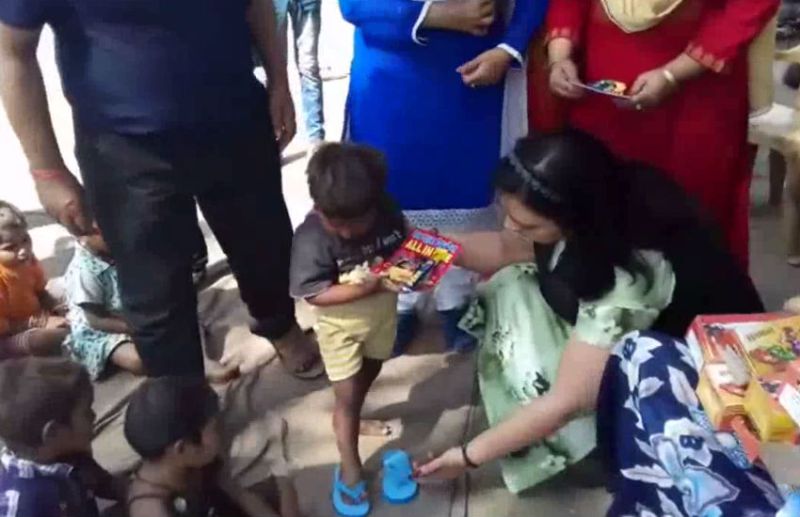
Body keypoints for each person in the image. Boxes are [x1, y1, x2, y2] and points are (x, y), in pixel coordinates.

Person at [415, 131, 764, 495]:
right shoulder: (601, 193)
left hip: (706, 378)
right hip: (635, 323)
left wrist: (467, 456)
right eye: (509, 215)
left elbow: (567, 400)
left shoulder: (630, 273)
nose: (510, 228)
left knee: (547, 380)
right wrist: (420, 246)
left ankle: (589, 445)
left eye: (528, 226)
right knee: (509, 283)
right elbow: (506, 249)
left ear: (574, 217)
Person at [0, 0, 323, 379]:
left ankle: (279, 325)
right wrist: (47, 170)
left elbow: (256, 4)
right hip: (123, 147)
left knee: (265, 243)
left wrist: (279, 83)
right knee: (153, 286)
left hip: (235, 118)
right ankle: (182, 391)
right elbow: (12, 52)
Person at [339, 0, 548, 354]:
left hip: (471, 83)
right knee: (401, 198)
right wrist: (434, 15)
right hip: (394, 80)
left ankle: (456, 299)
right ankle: (404, 299)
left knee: (462, 194)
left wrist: (507, 48)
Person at [544, 0, 779, 270]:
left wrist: (673, 74)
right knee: (601, 209)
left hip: (695, 98)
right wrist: (559, 57)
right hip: (602, 102)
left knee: (691, 223)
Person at [289, 144, 405, 516]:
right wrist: (363, 289)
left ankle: (352, 418)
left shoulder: (387, 210)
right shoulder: (311, 238)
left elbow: (403, 241)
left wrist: (419, 260)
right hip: (341, 331)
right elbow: (314, 294)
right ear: (318, 207)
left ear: (376, 202)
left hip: (381, 320)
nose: (346, 231)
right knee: (348, 398)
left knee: (368, 376)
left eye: (355, 222)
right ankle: (350, 466)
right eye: (335, 222)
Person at [125, 376, 301, 517]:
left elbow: (239, 494)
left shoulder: (199, 460)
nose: (220, 433)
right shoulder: (152, 509)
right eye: (214, 429)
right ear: (182, 448)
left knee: (282, 485)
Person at [0, 357, 125, 516]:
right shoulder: (23, 505)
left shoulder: (71, 455)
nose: (94, 416)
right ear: (53, 433)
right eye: (86, 412)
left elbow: (107, 484)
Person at [63, 230, 145, 379]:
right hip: (98, 330)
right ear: (84, 237)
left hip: (128, 312)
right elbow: (96, 320)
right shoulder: (85, 271)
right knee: (140, 360)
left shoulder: (118, 250)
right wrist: (135, 327)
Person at [0, 201, 68, 360]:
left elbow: (40, 291)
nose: (24, 251)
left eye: (25, 240)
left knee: (69, 293)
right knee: (41, 340)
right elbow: (4, 327)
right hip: (7, 334)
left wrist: (55, 307)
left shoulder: (27, 261)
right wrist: (40, 322)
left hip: (33, 316)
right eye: (10, 248)